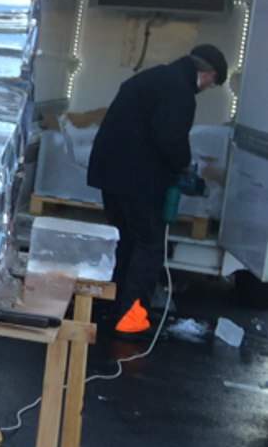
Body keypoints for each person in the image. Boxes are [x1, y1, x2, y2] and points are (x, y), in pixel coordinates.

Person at [87, 44, 227, 339]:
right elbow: (170, 139)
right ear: (207, 73)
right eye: (213, 82)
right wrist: (183, 166)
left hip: (111, 176)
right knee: (149, 246)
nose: (208, 87)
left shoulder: (153, 78)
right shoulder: (179, 90)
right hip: (138, 181)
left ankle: (113, 308)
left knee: (126, 243)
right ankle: (131, 320)